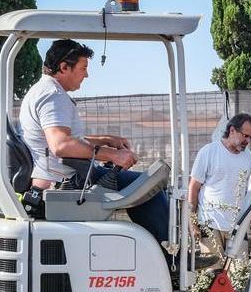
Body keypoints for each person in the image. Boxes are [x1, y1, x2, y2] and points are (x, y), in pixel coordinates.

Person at [19, 39, 169, 247]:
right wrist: (112, 155)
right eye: (83, 68)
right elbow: (60, 145)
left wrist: (107, 140)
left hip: (67, 173)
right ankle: (171, 255)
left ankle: (161, 251)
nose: (86, 75)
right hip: (70, 180)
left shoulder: (43, 91)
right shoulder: (53, 95)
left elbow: (67, 139)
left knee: (143, 186)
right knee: (149, 188)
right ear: (64, 67)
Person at [188, 113, 251, 259]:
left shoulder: (249, 158)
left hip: (238, 225)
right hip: (209, 223)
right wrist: (193, 223)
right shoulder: (209, 152)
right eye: (245, 136)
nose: (248, 141)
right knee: (212, 271)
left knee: (239, 273)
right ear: (232, 130)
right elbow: (194, 188)